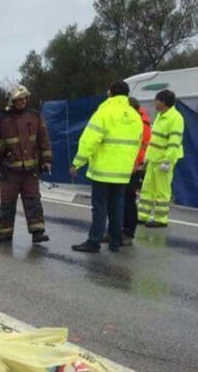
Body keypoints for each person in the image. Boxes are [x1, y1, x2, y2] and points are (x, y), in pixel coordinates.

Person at [70, 81, 143, 253]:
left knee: (100, 207)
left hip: (102, 171)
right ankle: (115, 241)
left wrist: (77, 162)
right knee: (118, 207)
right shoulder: (135, 116)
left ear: (110, 93)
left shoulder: (103, 112)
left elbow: (89, 140)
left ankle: (94, 241)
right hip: (123, 172)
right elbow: (137, 144)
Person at [0, 85, 52, 244]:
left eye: (24, 99)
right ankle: (5, 232)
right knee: (7, 204)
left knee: (33, 201)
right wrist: (1, 149)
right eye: (18, 100)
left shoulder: (34, 116)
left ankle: (37, 232)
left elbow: (44, 140)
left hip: (31, 171)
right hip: (9, 170)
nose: (22, 102)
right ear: (11, 101)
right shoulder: (1, 119)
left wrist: (47, 160)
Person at [137, 89, 184, 228]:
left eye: (156, 100)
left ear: (163, 102)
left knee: (162, 191)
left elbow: (174, 142)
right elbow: (154, 140)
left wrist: (167, 161)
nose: (154, 103)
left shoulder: (175, 118)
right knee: (147, 189)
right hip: (153, 159)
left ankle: (160, 219)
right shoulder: (161, 116)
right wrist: (146, 159)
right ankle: (143, 215)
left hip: (164, 161)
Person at [113, 97, 150, 243]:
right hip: (125, 165)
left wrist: (134, 165)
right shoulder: (137, 119)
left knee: (128, 198)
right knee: (122, 198)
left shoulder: (142, 123)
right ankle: (120, 229)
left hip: (133, 167)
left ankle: (128, 231)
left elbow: (141, 147)